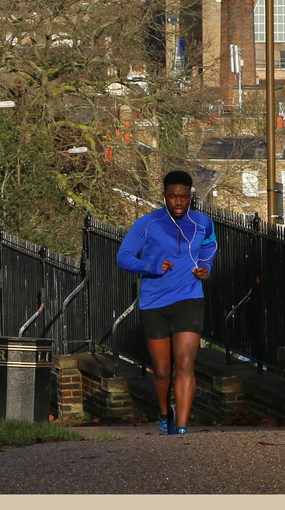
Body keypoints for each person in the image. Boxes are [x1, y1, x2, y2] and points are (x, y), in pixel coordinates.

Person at [116, 170, 217, 435]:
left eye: (184, 197)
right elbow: (123, 257)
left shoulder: (202, 222)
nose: (179, 202)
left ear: (190, 196)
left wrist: (205, 267)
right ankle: (165, 412)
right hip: (154, 302)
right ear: (164, 196)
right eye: (173, 197)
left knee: (185, 362)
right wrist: (150, 266)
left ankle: (182, 428)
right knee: (162, 370)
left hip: (189, 298)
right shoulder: (147, 224)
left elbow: (209, 248)